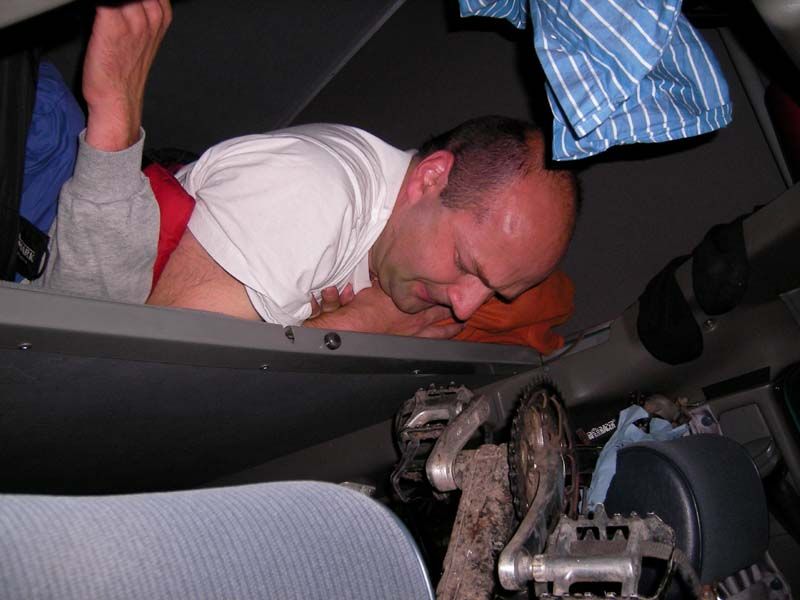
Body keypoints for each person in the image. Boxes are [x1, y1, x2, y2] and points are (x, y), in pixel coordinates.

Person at [37, 0, 578, 340]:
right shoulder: (312, 195)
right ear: (431, 177)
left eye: (496, 292)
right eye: (466, 264)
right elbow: (132, 378)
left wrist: (315, 326)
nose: (464, 306)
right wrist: (363, 324)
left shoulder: (399, 253)